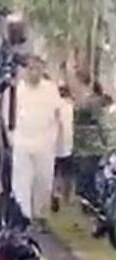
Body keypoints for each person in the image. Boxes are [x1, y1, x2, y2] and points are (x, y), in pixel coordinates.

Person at [12, 55, 64, 223]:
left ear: (43, 69)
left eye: (38, 68)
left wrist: (60, 143)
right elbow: (8, 117)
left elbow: (58, 116)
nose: (34, 72)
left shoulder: (51, 89)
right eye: (30, 68)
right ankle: (23, 218)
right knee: (22, 182)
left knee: (43, 181)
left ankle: (40, 215)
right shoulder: (17, 90)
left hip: (45, 144)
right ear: (25, 70)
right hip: (22, 143)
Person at [73, 81, 115, 202]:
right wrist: (107, 142)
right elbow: (102, 124)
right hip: (93, 144)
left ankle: (85, 194)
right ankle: (90, 196)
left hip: (83, 143)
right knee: (92, 170)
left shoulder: (87, 101)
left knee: (86, 169)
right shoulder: (96, 102)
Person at [53, 81, 75, 210]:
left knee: (55, 174)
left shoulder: (53, 107)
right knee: (68, 174)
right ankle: (67, 198)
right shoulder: (71, 106)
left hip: (54, 147)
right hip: (68, 145)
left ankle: (55, 194)